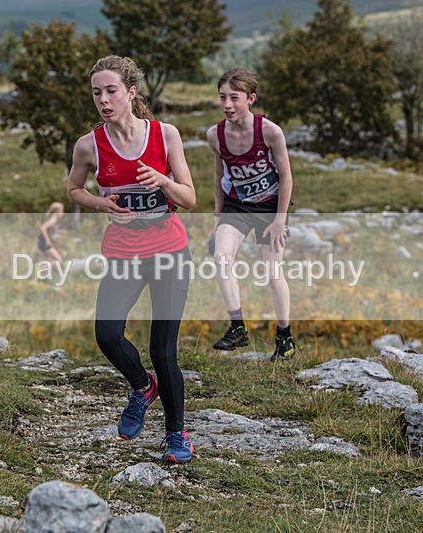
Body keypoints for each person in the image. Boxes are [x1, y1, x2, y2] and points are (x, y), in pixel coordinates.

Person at [66, 55, 197, 463]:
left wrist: (163, 181)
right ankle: (142, 387)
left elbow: (190, 199)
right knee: (106, 335)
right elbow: (74, 190)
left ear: (131, 92)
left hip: (168, 251)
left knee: (164, 352)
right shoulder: (89, 145)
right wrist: (101, 202)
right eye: (96, 93)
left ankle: (176, 434)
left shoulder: (165, 135)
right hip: (123, 250)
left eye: (111, 91)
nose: (103, 100)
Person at [206, 67, 296, 358]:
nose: (227, 105)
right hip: (237, 206)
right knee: (220, 257)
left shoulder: (269, 131)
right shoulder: (215, 135)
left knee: (272, 274)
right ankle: (237, 328)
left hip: (270, 208)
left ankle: (285, 338)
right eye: (222, 98)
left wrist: (280, 221)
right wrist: (217, 219)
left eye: (234, 98)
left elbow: (286, 176)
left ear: (251, 98)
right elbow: (220, 176)